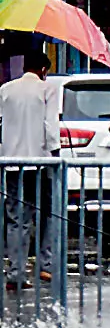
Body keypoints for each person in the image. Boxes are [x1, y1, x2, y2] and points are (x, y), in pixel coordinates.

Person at [0, 49, 60, 289]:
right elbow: (51, 125)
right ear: (43, 70)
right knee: (47, 213)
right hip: (41, 162)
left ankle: (16, 272)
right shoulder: (48, 89)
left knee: (16, 218)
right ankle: (45, 267)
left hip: (11, 163)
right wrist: (56, 155)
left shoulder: (5, 89)